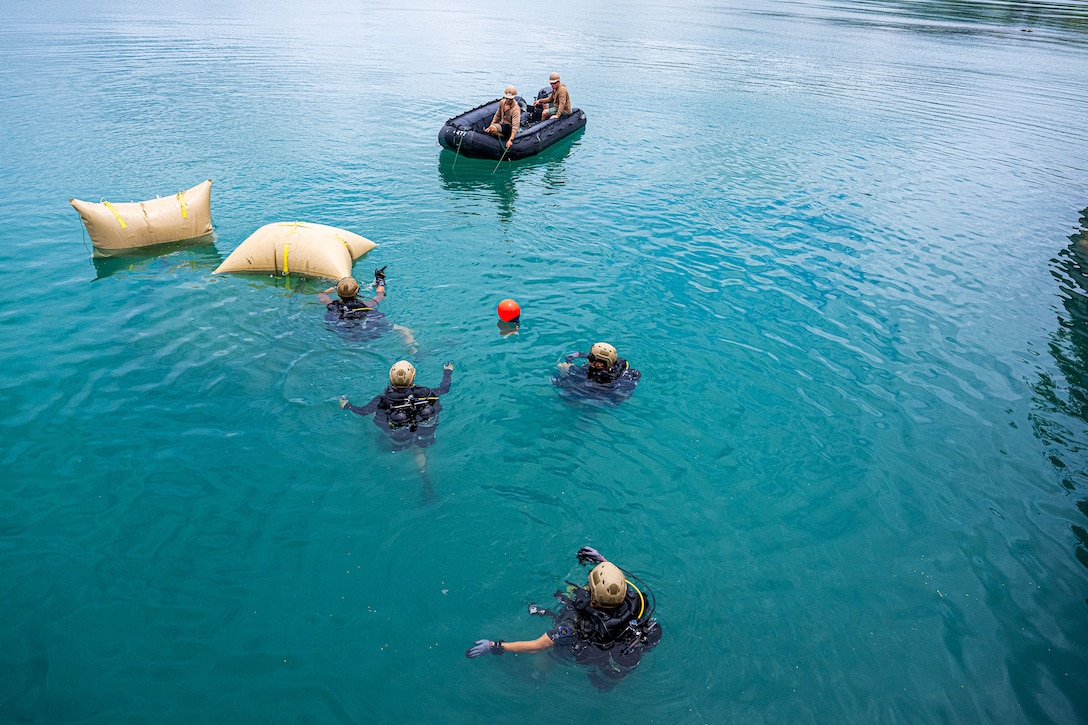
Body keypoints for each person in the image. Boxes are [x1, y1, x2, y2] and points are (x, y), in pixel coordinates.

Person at [465, 546, 661, 690]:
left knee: (548, 658)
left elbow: (537, 645)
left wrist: (495, 645)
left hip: (589, 645)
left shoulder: (575, 625)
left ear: (592, 593)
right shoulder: (634, 600)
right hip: (614, 637)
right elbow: (613, 586)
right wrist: (603, 561)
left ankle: (537, 675)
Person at [340, 360, 454, 500]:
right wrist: (447, 372)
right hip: (423, 430)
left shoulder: (382, 399)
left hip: (400, 435)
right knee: (418, 450)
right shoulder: (425, 392)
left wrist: (347, 405)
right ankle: (426, 481)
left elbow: (363, 412)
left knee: (374, 417)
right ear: (413, 378)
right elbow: (444, 389)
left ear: (390, 378)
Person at [317, 267, 416, 351]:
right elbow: (380, 295)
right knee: (404, 330)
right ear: (357, 291)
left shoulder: (333, 305)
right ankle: (413, 350)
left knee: (350, 337)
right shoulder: (366, 305)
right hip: (367, 325)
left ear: (338, 293)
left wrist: (335, 286)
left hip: (343, 328)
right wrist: (380, 279)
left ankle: (351, 345)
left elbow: (322, 295)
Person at [485, 85, 521, 150]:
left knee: (493, 129)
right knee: (491, 128)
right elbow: (497, 115)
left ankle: (507, 137)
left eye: (510, 99)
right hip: (502, 124)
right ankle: (503, 136)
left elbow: (515, 126)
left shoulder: (516, 109)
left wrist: (511, 140)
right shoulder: (502, 102)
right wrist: (490, 125)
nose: (508, 100)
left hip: (509, 126)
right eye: (507, 98)